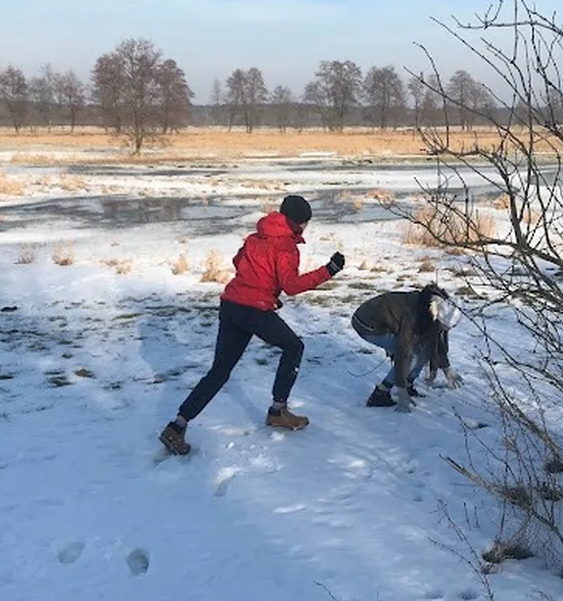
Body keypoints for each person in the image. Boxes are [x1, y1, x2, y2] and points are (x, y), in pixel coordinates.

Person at [159, 195, 345, 455]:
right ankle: (278, 410)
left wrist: (261, 284)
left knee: (219, 372)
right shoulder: (286, 247)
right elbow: (290, 286)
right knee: (294, 347)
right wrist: (328, 270)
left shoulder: (255, 237)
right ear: (299, 223)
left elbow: (238, 262)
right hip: (254, 311)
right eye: (305, 223)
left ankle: (177, 426)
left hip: (231, 306)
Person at [351, 283, 464, 412]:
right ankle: (380, 394)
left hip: (386, 320)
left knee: (423, 350)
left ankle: (408, 383)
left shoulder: (434, 307)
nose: (445, 330)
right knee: (412, 356)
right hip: (366, 323)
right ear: (437, 317)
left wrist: (446, 368)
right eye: (444, 327)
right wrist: (401, 390)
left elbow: (435, 339)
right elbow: (403, 353)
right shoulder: (415, 316)